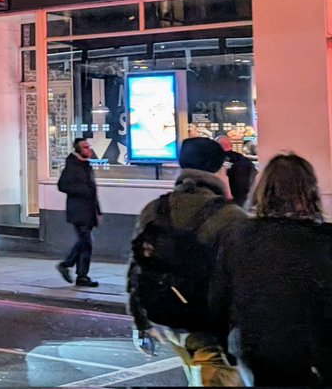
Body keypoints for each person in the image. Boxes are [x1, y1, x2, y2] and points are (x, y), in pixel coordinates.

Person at [127, 137, 246, 387]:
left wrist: (140, 323)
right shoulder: (230, 216)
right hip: (212, 331)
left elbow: (136, 268)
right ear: (217, 169)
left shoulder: (154, 209)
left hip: (169, 321)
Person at [208, 154, 331, 387]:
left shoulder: (238, 235)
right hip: (315, 358)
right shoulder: (323, 240)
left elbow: (218, 300)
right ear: (311, 191)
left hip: (256, 350)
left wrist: (228, 349)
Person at [56, 138, 102, 288]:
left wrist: (98, 211)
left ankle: (77, 273)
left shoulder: (86, 165)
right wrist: (82, 191)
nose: (89, 149)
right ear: (78, 149)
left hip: (88, 211)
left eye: (89, 146)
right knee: (86, 242)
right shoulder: (72, 166)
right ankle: (74, 270)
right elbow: (62, 186)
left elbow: (93, 191)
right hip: (78, 211)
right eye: (85, 147)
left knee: (84, 243)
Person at [215, 135, 256, 208]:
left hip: (223, 203)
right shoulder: (244, 160)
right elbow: (254, 178)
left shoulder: (214, 161)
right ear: (231, 145)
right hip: (244, 201)